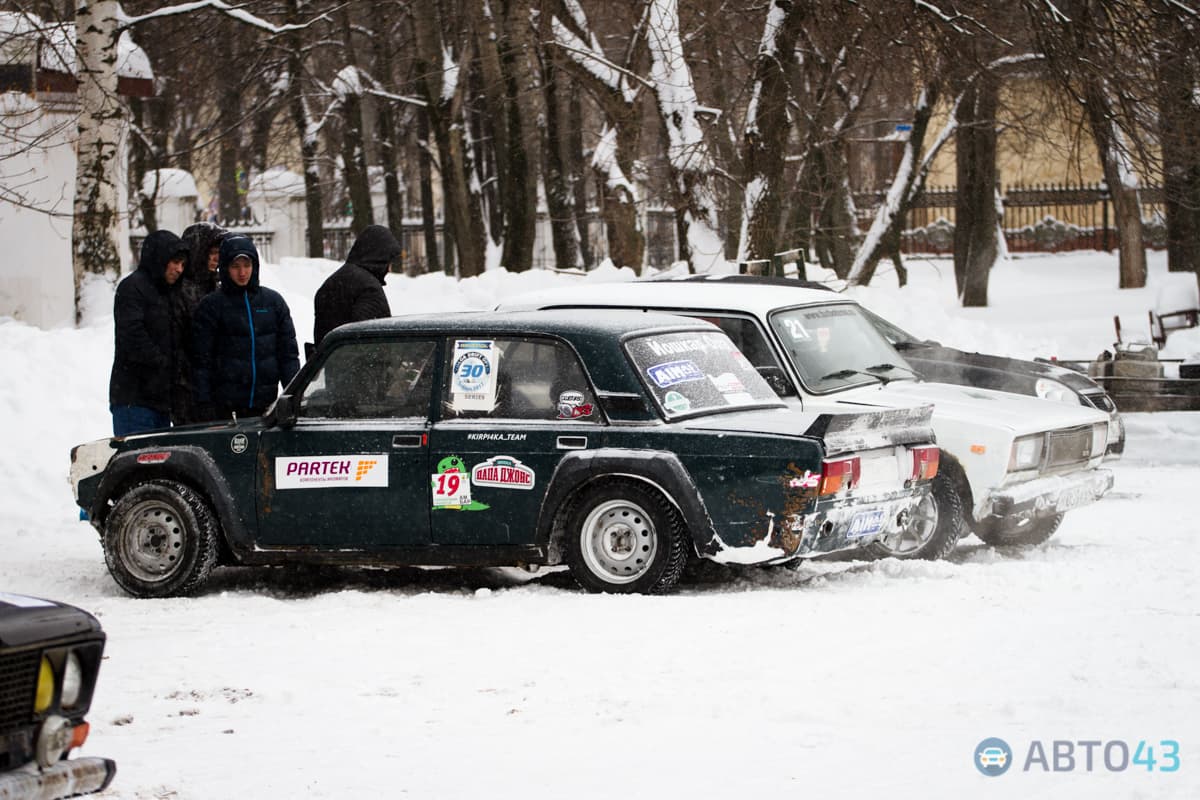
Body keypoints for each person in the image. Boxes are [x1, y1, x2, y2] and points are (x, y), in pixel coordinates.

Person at [192, 235, 300, 421]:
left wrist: (293, 395)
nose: (242, 273)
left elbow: (288, 355)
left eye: (247, 265)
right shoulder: (211, 306)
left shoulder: (273, 302)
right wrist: (204, 402)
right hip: (225, 408)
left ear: (255, 266)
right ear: (225, 268)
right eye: (235, 266)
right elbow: (202, 361)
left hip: (265, 405)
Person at [109, 229, 190, 436]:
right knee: (138, 463)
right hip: (134, 399)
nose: (179, 269)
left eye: (183, 264)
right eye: (175, 262)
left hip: (160, 400)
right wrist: (162, 363)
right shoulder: (132, 288)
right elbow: (132, 335)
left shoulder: (169, 292)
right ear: (160, 259)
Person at [171, 222, 226, 425]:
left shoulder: (216, 286)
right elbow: (179, 343)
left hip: (215, 384)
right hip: (188, 388)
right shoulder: (181, 291)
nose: (216, 258)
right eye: (211, 252)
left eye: (218, 252)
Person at [312, 224, 400, 350]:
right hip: (358, 366)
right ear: (379, 258)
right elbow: (374, 342)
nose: (390, 269)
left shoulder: (332, 281)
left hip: (331, 363)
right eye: (388, 262)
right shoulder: (369, 288)